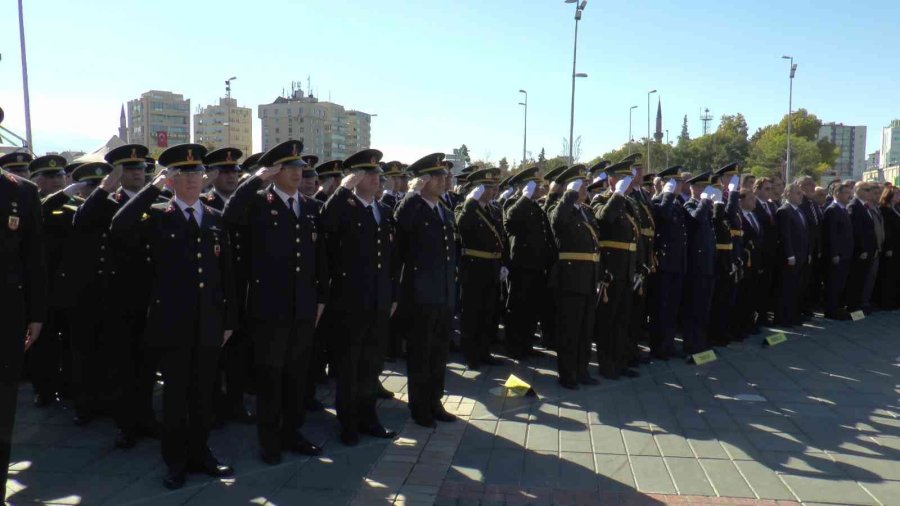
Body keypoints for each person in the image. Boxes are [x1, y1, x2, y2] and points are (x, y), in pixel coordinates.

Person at [111, 143, 236, 489]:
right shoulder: (156, 215)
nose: (192, 179)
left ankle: (201, 453)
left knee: (203, 394)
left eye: (197, 172)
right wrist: (153, 187)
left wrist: (229, 320)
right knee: (176, 396)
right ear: (171, 179)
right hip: (172, 323)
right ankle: (176, 461)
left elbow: (227, 274)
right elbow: (120, 226)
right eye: (183, 173)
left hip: (209, 321)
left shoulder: (214, 217)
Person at [222, 140, 328, 464]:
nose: (298, 173)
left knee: (297, 377)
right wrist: (255, 179)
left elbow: (320, 257)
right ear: (275, 171)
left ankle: (292, 432)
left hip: (303, 306)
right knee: (270, 377)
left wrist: (321, 298)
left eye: (300, 167)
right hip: (269, 307)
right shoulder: (258, 202)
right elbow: (229, 216)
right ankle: (269, 441)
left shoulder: (309, 207)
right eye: (289, 167)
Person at [74, 145, 160, 448]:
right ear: (118, 173)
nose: (137, 173)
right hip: (120, 294)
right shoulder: (109, 201)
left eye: (141, 168)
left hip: (152, 291)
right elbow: (82, 221)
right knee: (124, 363)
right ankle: (127, 424)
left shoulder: (159, 199)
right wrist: (105, 186)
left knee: (147, 362)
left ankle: (146, 417)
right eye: (129, 168)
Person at [320, 149, 399, 445]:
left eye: (377, 173)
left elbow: (391, 258)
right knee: (349, 366)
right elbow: (326, 223)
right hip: (350, 301)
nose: (376, 178)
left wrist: (393, 293)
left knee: (371, 364)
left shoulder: (382, 211)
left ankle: (369, 417)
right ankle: (348, 423)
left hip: (378, 300)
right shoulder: (344, 206)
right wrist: (343, 190)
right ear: (355, 177)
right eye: (368, 173)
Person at [395, 153, 459, 427]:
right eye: (438, 176)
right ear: (424, 180)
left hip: (443, 293)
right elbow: (400, 223)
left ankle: (435, 401)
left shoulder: (443, 209)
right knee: (420, 354)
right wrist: (412, 194)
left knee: (439, 353)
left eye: (445, 176)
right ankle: (419, 407)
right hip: (420, 295)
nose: (445, 180)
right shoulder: (414, 207)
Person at [0, 169, 46, 505]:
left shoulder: (22, 192)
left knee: (3, 407)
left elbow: (34, 257)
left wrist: (36, 313)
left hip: (7, 314)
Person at [547, 165, 602, 389]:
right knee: (569, 329)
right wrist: (569, 194)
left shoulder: (585, 211)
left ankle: (582, 370)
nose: (584, 189)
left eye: (585, 185)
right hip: (570, 278)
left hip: (588, 277)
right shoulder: (558, 208)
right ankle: (567, 374)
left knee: (585, 329)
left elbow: (595, 244)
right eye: (580, 186)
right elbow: (557, 222)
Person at [453, 168, 505, 370]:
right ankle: (470, 355)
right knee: (471, 314)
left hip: (492, 267)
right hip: (474, 269)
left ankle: (484, 352)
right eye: (488, 187)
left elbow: (500, 238)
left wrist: (503, 264)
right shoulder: (464, 207)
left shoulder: (494, 209)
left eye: (494, 187)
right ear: (477, 189)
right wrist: (471, 201)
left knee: (488, 313)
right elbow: (461, 225)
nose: (493, 191)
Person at [592, 160, 639, 379]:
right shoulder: (600, 199)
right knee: (607, 320)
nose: (627, 183)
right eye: (622, 178)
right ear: (611, 179)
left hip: (627, 268)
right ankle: (606, 364)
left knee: (623, 319)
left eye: (628, 178)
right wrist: (617, 194)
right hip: (611, 270)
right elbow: (604, 218)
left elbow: (634, 236)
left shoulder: (628, 203)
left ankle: (620, 362)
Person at [502, 167, 556, 360]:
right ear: (523, 187)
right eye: (533, 185)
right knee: (518, 307)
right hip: (521, 265)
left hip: (537, 265)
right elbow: (510, 220)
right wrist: (524, 197)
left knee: (532, 308)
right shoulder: (513, 202)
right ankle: (514, 347)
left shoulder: (535, 206)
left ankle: (526, 344)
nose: (538, 188)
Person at [649, 166, 687, 359]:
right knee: (661, 307)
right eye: (675, 182)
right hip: (663, 263)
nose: (679, 185)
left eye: (679, 182)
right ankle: (659, 347)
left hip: (677, 262)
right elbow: (663, 215)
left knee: (672, 307)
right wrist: (667, 193)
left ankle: (669, 344)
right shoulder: (657, 202)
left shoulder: (677, 204)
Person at [708, 164, 742, 345]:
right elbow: (725, 216)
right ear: (721, 179)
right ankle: (715, 333)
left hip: (729, 251)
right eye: (729, 177)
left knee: (727, 295)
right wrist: (734, 193)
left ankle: (724, 330)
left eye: (734, 178)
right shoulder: (715, 194)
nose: (732, 181)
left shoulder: (728, 196)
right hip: (717, 253)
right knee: (718, 296)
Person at [682, 172, 716, 355]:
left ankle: (701, 341)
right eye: (701, 186)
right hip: (696, 264)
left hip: (707, 262)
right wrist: (703, 201)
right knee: (693, 305)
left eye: (705, 187)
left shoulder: (705, 206)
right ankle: (691, 342)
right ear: (693, 188)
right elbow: (696, 219)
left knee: (704, 305)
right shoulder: (689, 204)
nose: (704, 190)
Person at [774, 181, 809, 326]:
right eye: (798, 193)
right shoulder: (784, 211)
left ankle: (793, 315)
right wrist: (790, 255)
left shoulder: (799, 211)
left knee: (796, 287)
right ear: (788, 194)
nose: (801, 196)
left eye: (801, 193)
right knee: (786, 287)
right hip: (790, 257)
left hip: (801, 255)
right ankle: (783, 317)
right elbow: (785, 235)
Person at [822, 181, 854, 320]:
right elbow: (831, 234)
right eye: (846, 193)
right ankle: (831, 310)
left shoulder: (843, 209)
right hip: (837, 255)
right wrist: (834, 253)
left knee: (841, 283)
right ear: (837, 194)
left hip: (846, 253)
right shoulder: (832, 210)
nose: (849, 196)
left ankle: (838, 308)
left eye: (849, 193)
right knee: (833, 283)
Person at [846, 182, 876, 313]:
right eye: (867, 189)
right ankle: (853, 309)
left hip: (868, 250)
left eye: (870, 189)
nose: (870, 192)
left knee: (862, 280)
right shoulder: (854, 206)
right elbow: (856, 230)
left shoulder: (865, 206)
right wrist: (861, 249)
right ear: (857, 190)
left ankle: (858, 307)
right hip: (860, 252)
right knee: (855, 280)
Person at [736, 189, 763, 333]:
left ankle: (750, 322)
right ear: (741, 201)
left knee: (753, 292)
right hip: (745, 261)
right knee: (743, 294)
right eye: (751, 199)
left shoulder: (754, 215)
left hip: (755, 261)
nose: (754, 201)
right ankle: (741, 325)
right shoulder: (739, 216)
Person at [752, 177, 778, 325]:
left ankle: (763, 315)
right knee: (757, 286)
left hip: (771, 252)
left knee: (767, 285)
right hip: (759, 251)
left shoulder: (771, 205)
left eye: (771, 189)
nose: (770, 192)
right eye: (767, 189)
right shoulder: (753, 205)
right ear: (757, 189)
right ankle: (756, 316)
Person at [878, 185, 900, 309]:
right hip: (891, 246)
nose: (898, 196)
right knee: (889, 274)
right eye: (896, 194)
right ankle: (887, 301)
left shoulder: (896, 208)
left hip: (898, 245)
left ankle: (895, 300)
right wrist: (888, 248)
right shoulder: (884, 210)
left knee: (896, 274)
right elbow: (886, 230)